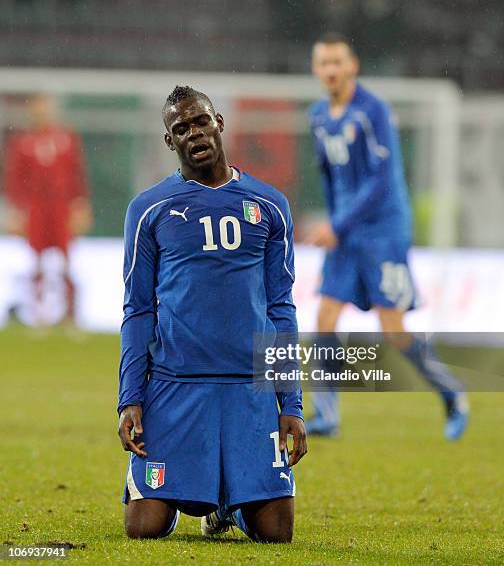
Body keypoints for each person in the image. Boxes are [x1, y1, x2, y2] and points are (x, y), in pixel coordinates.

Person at [117, 85, 307, 543]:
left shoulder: (269, 205)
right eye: (180, 128)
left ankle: (228, 508)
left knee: (276, 532)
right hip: (176, 387)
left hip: (247, 388)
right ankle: (195, 497)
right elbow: (137, 310)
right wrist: (130, 398)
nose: (194, 133)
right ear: (170, 142)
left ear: (219, 122)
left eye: (200, 121)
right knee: (145, 528)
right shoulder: (149, 209)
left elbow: (281, 308)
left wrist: (291, 404)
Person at [305, 33, 469, 440]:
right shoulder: (319, 117)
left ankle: (453, 394)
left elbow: (381, 180)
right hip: (345, 230)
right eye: (323, 63)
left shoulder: (372, 111)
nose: (330, 70)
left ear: (352, 66)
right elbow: (328, 176)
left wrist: (337, 225)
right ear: (316, 70)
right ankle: (327, 415)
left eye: (337, 62)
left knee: (393, 329)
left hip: (383, 230)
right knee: (324, 316)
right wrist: (334, 225)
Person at [4, 94, 92, 325]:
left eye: (45, 110)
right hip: (36, 208)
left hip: (61, 207)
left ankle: (71, 316)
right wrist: (15, 211)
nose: (41, 114)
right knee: (37, 262)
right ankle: (38, 314)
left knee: (66, 261)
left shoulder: (66, 138)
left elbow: (76, 174)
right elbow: (15, 179)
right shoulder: (22, 142)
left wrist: (80, 204)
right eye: (37, 110)